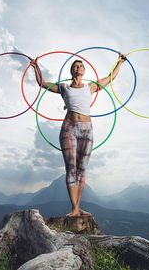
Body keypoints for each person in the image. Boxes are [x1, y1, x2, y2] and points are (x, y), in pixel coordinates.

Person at [30, 53, 126, 217]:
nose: (78, 68)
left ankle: (77, 207)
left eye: (81, 66)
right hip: (69, 128)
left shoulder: (90, 87)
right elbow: (41, 83)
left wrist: (120, 62)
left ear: (84, 70)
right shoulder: (64, 87)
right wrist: (35, 66)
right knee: (71, 168)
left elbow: (110, 78)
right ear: (71, 71)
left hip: (87, 129)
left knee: (82, 169)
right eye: (75, 66)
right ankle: (74, 208)